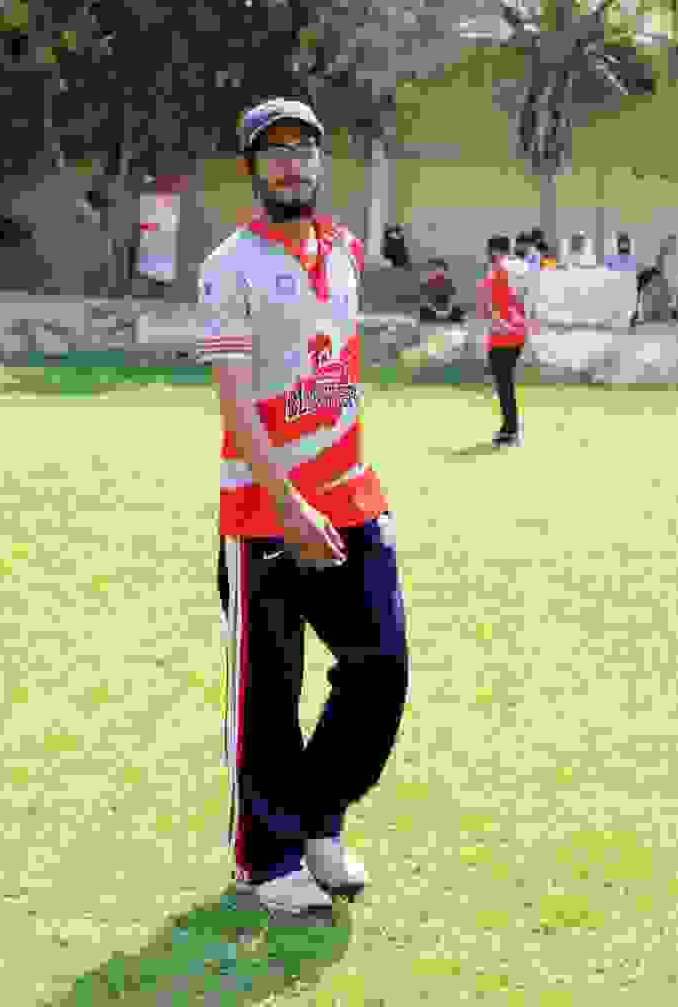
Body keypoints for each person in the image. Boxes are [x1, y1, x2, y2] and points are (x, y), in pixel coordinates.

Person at [197, 97, 409, 923]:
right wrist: (286, 504)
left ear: (319, 161)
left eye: (303, 149)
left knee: (379, 669)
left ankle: (319, 817)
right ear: (252, 169)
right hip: (263, 516)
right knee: (268, 696)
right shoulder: (229, 267)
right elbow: (235, 401)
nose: (290, 164)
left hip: (350, 497)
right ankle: (268, 858)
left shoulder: (344, 251)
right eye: (274, 151)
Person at [476, 235, 539, 446]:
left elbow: (489, 302)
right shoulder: (523, 267)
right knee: (506, 382)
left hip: (501, 332)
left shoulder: (496, 270)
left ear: (493, 251)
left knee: (504, 383)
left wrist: (497, 322)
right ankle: (511, 427)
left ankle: (511, 430)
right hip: (519, 329)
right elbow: (530, 299)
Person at [417, 257, 465, 323]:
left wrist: (448, 310)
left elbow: (451, 299)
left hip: (446, 311)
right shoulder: (427, 285)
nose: (438, 272)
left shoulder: (448, 284)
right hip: (433, 311)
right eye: (435, 270)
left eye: (440, 270)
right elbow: (425, 300)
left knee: (458, 311)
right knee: (422, 311)